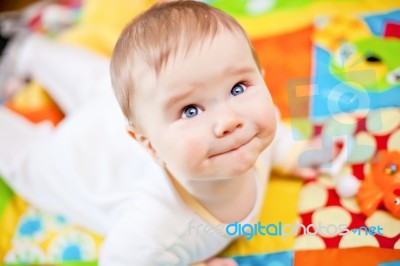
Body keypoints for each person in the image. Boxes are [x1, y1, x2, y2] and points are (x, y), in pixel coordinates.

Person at [0, 1, 335, 265]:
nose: (229, 120)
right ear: (148, 143)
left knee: (98, 81)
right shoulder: (155, 228)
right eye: (190, 110)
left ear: (261, 77)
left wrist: (296, 152)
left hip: (115, 109)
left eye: (238, 87)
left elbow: (276, 140)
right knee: (27, 160)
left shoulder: (247, 136)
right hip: (80, 160)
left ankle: (25, 47)